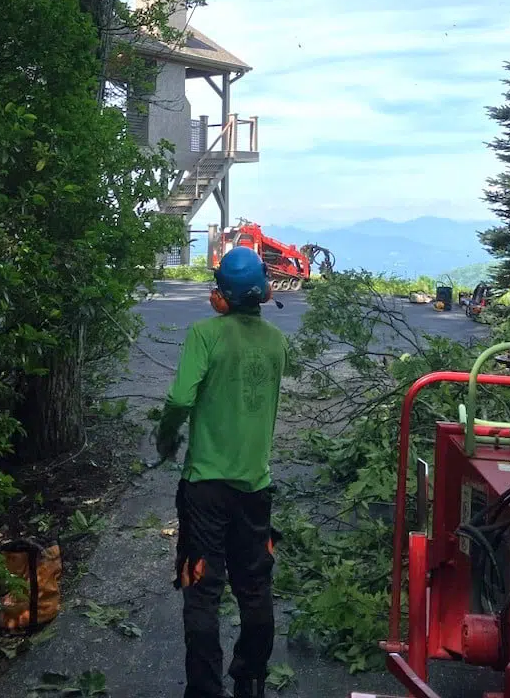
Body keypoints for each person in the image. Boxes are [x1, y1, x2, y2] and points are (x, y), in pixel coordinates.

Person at [153, 246, 292, 698]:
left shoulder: (204, 334)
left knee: (202, 588)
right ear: (267, 292)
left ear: (219, 297)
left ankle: (204, 689)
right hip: (255, 489)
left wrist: (167, 435)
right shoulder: (277, 342)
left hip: (205, 490)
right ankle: (250, 678)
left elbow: (179, 400)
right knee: (254, 586)